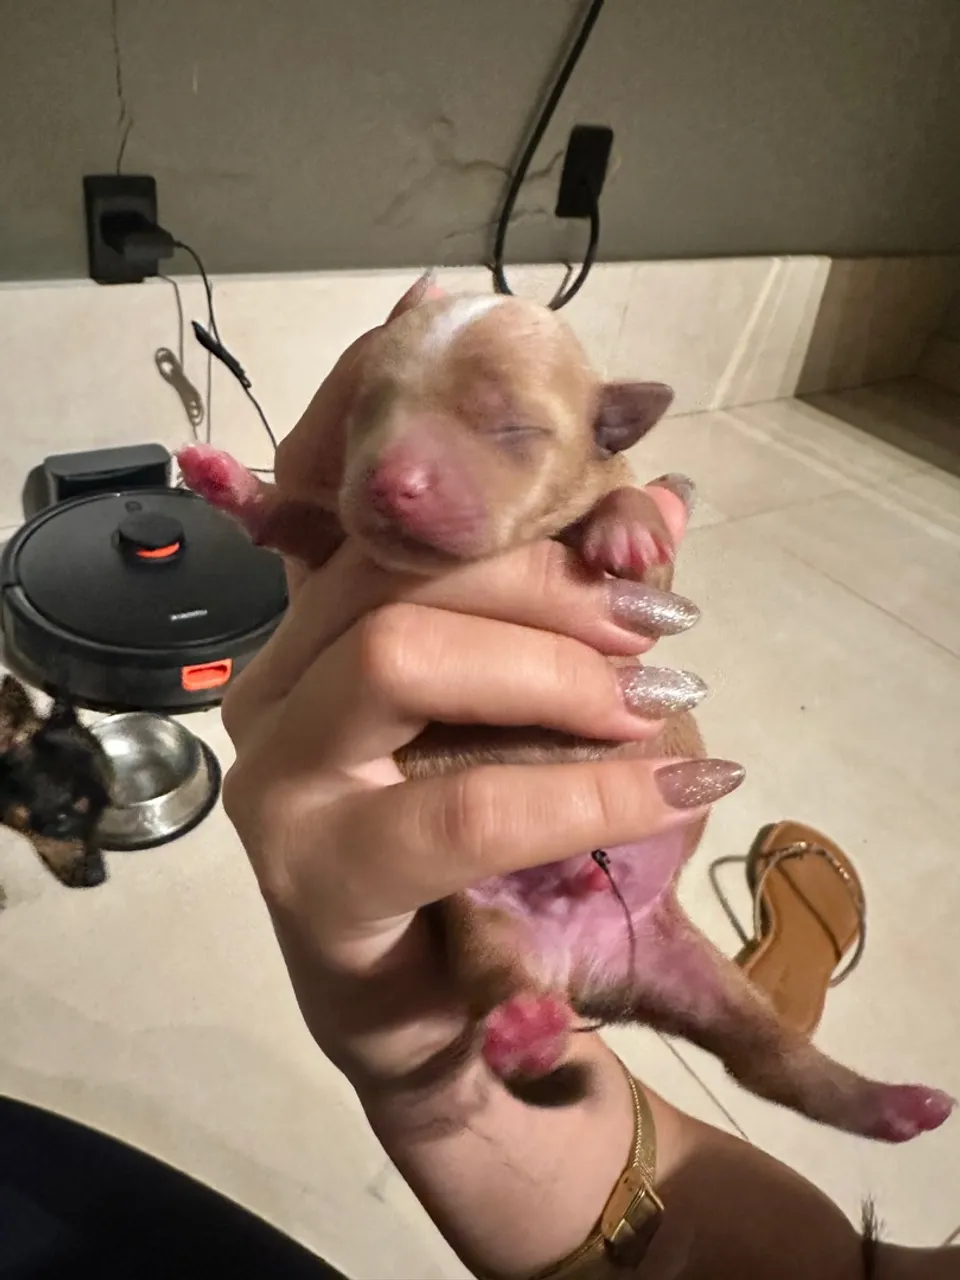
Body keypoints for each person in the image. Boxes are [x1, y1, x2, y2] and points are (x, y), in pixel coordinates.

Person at [220, 279, 956, 1280]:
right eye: (375, 418)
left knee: (745, 1022)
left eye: (508, 430)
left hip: (630, 893)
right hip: (520, 894)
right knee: (500, 947)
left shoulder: (604, 484)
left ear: (610, 432)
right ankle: (527, 1015)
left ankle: (826, 1084)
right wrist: (272, 513)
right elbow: (328, 536)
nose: (396, 469)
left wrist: (625, 522)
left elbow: (629, 545)